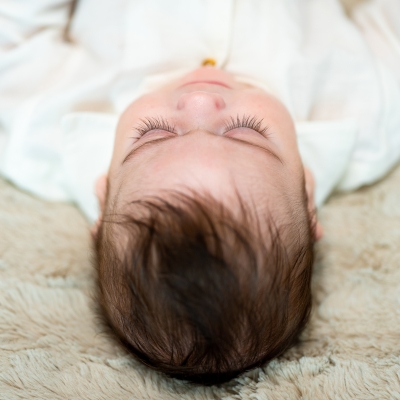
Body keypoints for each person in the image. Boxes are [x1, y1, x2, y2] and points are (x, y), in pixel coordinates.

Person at [0, 0, 399, 386]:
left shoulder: (39, 133)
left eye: (155, 132)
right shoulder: (368, 124)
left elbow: (14, 36)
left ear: (102, 196)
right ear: (307, 196)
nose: (199, 100)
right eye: (246, 130)